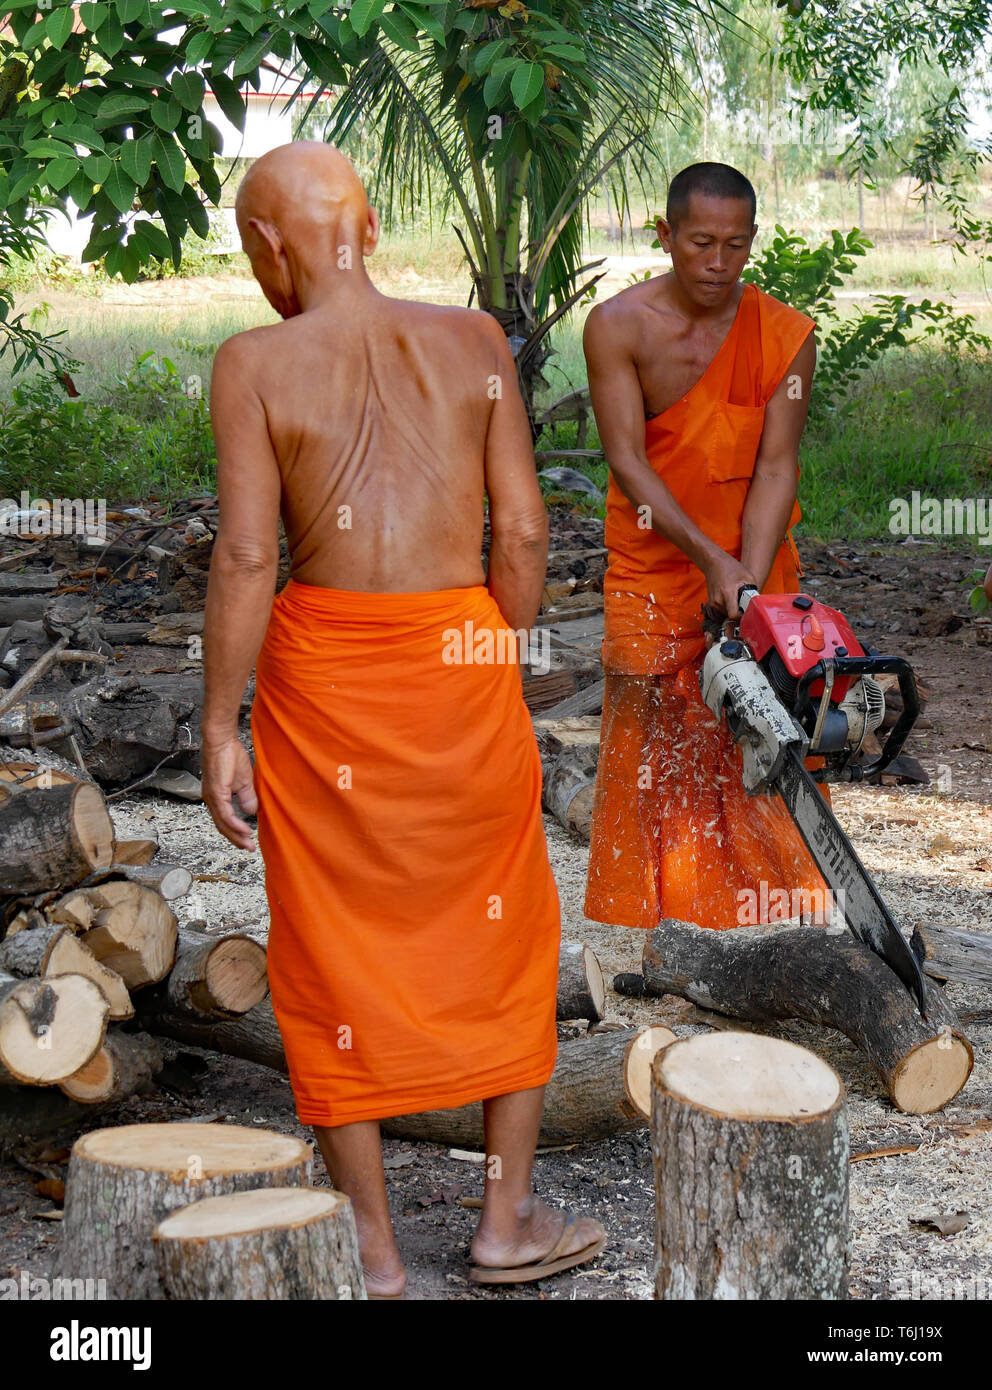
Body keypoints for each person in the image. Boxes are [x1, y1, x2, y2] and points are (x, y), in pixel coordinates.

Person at [200, 142, 605, 1297]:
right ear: (368, 227)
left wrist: (219, 724)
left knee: (332, 945)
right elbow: (522, 535)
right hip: (461, 662)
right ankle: (506, 1219)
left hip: (324, 681)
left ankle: (372, 1251)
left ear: (269, 245)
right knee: (506, 930)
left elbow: (245, 554)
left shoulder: (252, 363)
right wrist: (495, 658)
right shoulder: (474, 343)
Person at [583, 161, 831, 933]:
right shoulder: (616, 327)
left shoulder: (785, 337)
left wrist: (747, 589)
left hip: (753, 564)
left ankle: (774, 926)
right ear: (665, 236)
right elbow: (627, 459)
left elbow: (777, 466)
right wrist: (710, 561)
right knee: (652, 739)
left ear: (752, 242)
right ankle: (651, 927)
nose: (718, 264)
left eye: (735, 245)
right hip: (656, 567)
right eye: (700, 244)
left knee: (760, 730)